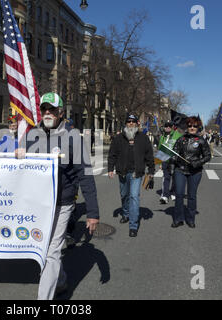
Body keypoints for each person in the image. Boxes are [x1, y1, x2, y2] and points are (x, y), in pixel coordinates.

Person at [18, 92, 100, 300]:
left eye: (52, 109)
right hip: (39, 204)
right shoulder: (31, 136)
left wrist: (92, 212)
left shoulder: (73, 137)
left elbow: (85, 175)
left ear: (61, 113)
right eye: (45, 108)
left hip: (62, 204)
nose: (47, 113)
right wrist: (17, 156)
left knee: (51, 251)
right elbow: (19, 171)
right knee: (45, 248)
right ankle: (61, 281)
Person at [107, 114, 155, 237]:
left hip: (136, 173)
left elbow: (149, 155)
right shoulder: (118, 138)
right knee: (124, 195)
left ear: (137, 123)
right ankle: (125, 213)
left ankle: (133, 225)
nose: (131, 123)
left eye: (133, 121)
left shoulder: (143, 138)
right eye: (128, 121)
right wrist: (110, 169)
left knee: (134, 196)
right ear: (126, 123)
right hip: (122, 172)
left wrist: (151, 170)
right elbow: (112, 154)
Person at [171, 116, 211, 228]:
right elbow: (174, 154)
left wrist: (198, 162)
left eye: (194, 126)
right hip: (180, 170)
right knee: (179, 194)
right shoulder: (181, 139)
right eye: (190, 126)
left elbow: (208, 156)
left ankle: (190, 218)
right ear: (187, 127)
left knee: (192, 196)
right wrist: (173, 162)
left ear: (198, 127)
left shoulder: (202, 141)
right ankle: (178, 219)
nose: (192, 127)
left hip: (195, 172)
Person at [158, 121, 178, 204]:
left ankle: (173, 192)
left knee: (175, 178)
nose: (168, 127)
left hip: (175, 161)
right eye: (166, 126)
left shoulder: (177, 135)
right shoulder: (162, 136)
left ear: (172, 126)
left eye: (169, 126)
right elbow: (160, 148)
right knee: (166, 177)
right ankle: (165, 195)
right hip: (165, 160)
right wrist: (159, 162)